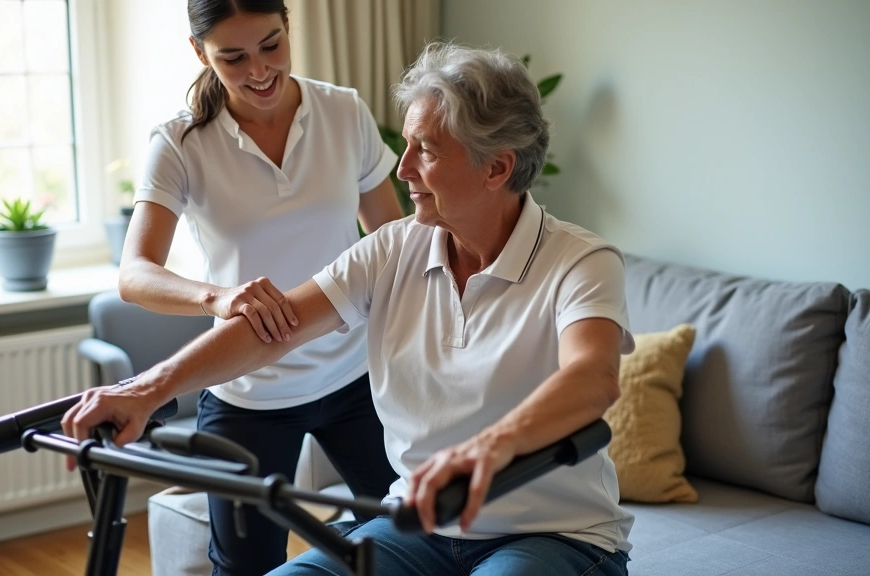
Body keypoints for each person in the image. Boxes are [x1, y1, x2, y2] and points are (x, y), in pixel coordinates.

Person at [65, 41, 634, 575]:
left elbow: (593, 375)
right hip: (418, 526)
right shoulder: (391, 247)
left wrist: (490, 445)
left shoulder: (580, 260)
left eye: (426, 150)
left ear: (496, 167)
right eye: (406, 145)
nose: (404, 167)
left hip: (554, 534)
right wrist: (144, 390)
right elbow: (273, 329)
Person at [104, 0, 404, 573]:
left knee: (408, 537)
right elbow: (134, 274)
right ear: (200, 53)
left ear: (288, 26)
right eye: (233, 57)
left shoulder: (343, 111)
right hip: (247, 393)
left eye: (271, 45)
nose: (260, 70)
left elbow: (392, 239)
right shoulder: (179, 142)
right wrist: (217, 297)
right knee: (244, 567)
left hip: (356, 374)